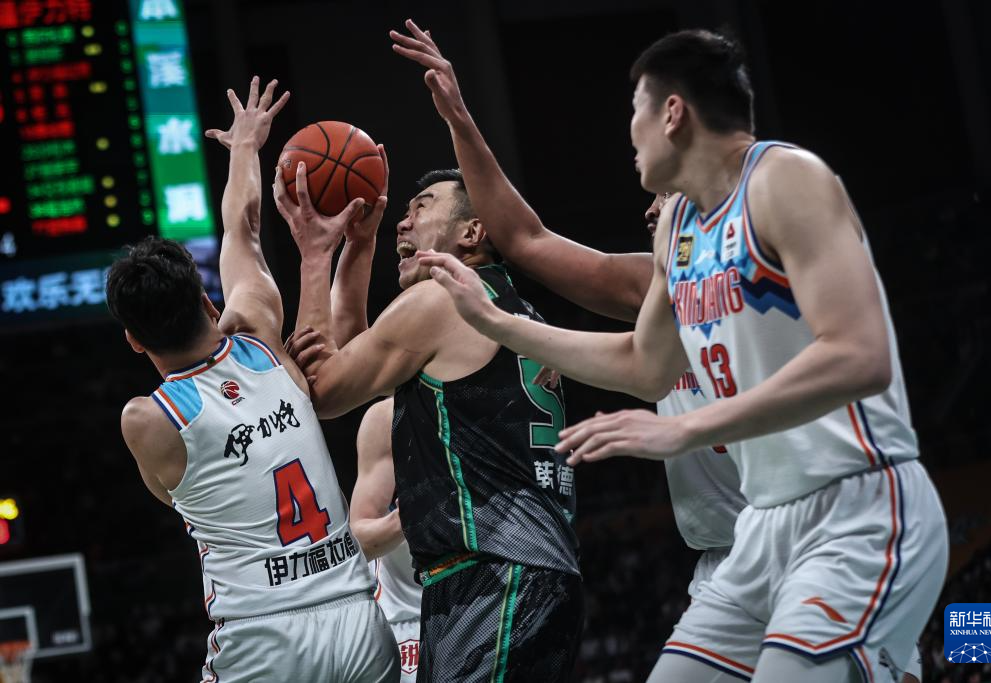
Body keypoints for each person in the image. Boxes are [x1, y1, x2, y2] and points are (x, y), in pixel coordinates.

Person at [417, 27, 947, 683]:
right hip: (758, 532)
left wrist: (684, 427)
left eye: (634, 111)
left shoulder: (786, 179)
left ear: (673, 113)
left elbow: (862, 356)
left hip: (856, 507)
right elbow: (646, 366)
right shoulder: (679, 233)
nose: (628, 133)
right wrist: (499, 323)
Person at [392, 17, 745, 618]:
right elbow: (526, 241)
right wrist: (458, 117)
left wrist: (683, 430)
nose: (649, 212)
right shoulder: (655, 283)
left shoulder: (765, 240)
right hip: (724, 559)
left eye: (662, 199)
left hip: (813, 518)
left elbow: (854, 365)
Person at [111, 77, 398, 683]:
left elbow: (171, 496)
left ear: (135, 340)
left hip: (262, 635)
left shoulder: (147, 420)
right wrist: (245, 145)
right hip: (358, 615)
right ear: (208, 302)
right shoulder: (261, 336)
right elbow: (240, 229)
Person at [275, 160, 583, 680]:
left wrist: (314, 254)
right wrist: (360, 245)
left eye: (422, 207)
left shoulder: (442, 299)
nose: (403, 220)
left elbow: (324, 389)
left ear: (472, 233)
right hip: (522, 571)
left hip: (494, 574)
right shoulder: (510, 309)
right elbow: (358, 357)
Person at [352, 399, 423, 683]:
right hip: (403, 622)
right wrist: (405, 517)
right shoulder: (386, 418)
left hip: (489, 606)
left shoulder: (503, 404)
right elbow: (360, 543)